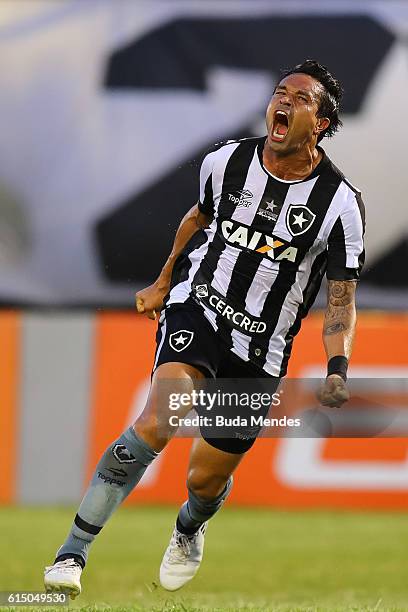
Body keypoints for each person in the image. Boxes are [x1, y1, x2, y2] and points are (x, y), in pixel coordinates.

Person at [44, 59, 365, 597]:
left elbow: (341, 298)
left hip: (261, 351)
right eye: (280, 92)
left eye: (301, 98)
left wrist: (338, 367)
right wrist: (163, 279)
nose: (283, 101)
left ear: (323, 124)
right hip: (200, 309)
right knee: (155, 424)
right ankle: (70, 555)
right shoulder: (227, 161)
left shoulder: (340, 204)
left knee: (204, 479)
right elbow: (199, 217)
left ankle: (190, 526)